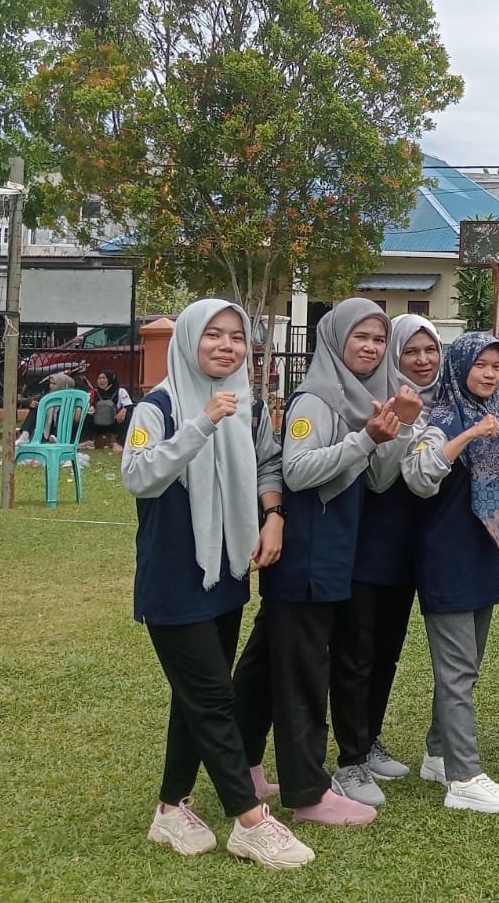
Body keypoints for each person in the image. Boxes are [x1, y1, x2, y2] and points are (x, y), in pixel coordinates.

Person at [122, 299, 313, 868]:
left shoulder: (249, 407)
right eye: (214, 335)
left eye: (236, 337)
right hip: (174, 578)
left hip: (227, 572)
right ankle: (250, 821)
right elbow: (139, 476)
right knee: (213, 697)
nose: (227, 346)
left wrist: (272, 514)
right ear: (188, 340)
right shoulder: (156, 406)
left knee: (197, 695)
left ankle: (169, 809)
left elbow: (267, 464)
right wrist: (201, 422)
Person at [231, 298, 418, 827]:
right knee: (304, 676)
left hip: (335, 551)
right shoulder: (317, 398)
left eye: (379, 339)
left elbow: (378, 478)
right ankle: (308, 791)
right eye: (360, 336)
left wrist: (396, 431)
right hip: (308, 554)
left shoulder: (364, 399)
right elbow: (296, 470)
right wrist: (366, 438)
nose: (371, 347)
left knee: (266, 667)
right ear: (335, 339)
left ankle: (241, 765)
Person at [401, 331, 499, 815]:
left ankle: (438, 751)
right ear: (461, 366)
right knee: (455, 672)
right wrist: (468, 437)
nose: (490, 373)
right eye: (481, 365)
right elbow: (417, 475)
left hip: (483, 553)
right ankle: (465, 777)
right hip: (447, 557)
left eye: (497, 365)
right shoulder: (444, 417)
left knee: (467, 667)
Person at [327, 314, 441, 798]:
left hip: (408, 547)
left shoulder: (443, 399)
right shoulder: (377, 400)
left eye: (429, 350)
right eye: (410, 350)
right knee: (356, 653)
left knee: (387, 654)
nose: (421, 360)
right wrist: (403, 425)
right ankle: (349, 760)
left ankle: (369, 740)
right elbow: (377, 478)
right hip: (367, 542)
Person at [90, 369, 133, 449]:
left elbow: (129, 406)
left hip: (114, 422)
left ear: (110, 379)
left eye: (104, 378)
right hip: (98, 422)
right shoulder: (94, 392)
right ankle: (87, 441)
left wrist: (124, 410)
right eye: (99, 378)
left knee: (127, 416)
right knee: (85, 417)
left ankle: (120, 443)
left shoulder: (120, 391)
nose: (101, 381)